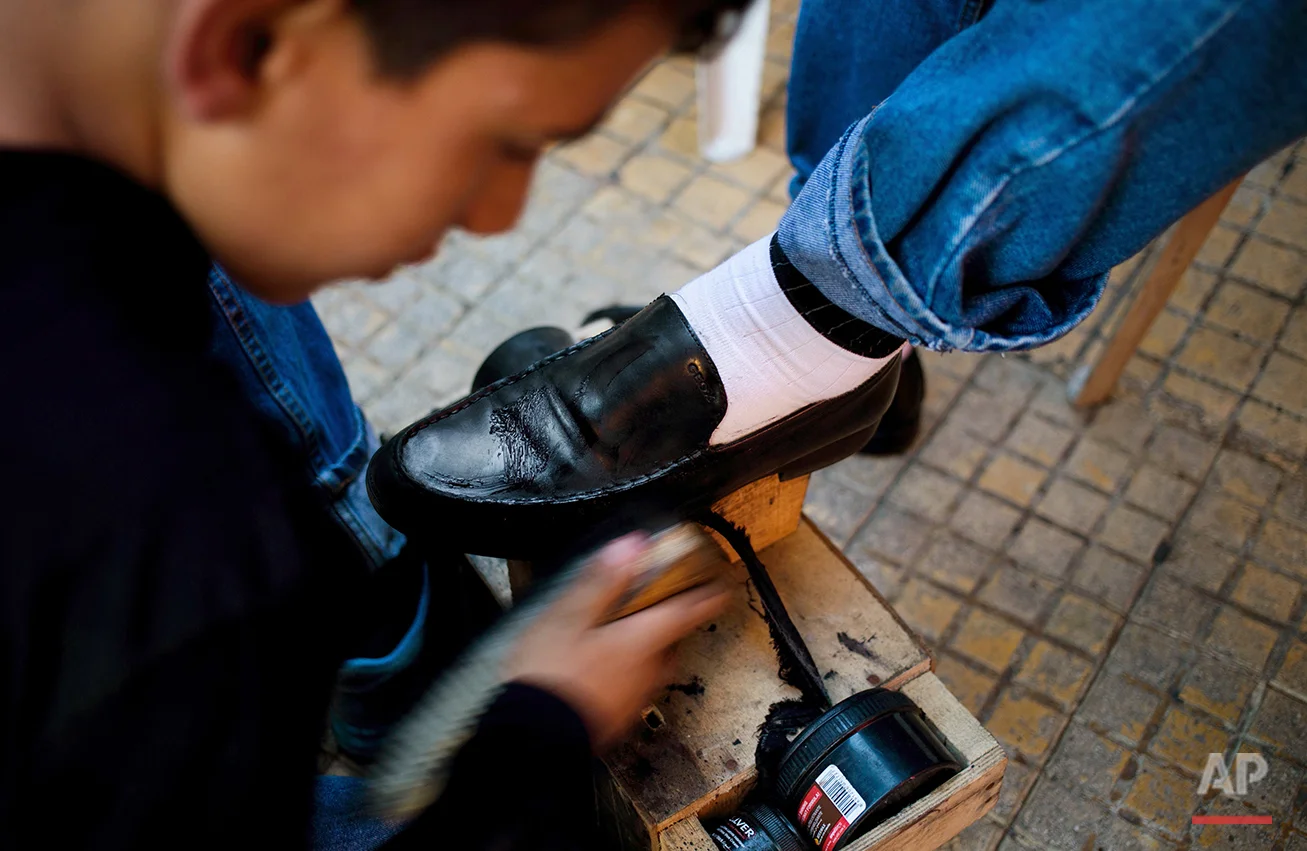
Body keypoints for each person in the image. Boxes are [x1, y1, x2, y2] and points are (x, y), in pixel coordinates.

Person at [0, 1, 746, 848]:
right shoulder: (181, 536)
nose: (500, 213)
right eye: (509, 141)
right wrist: (540, 734)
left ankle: (392, 641)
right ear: (246, 44)